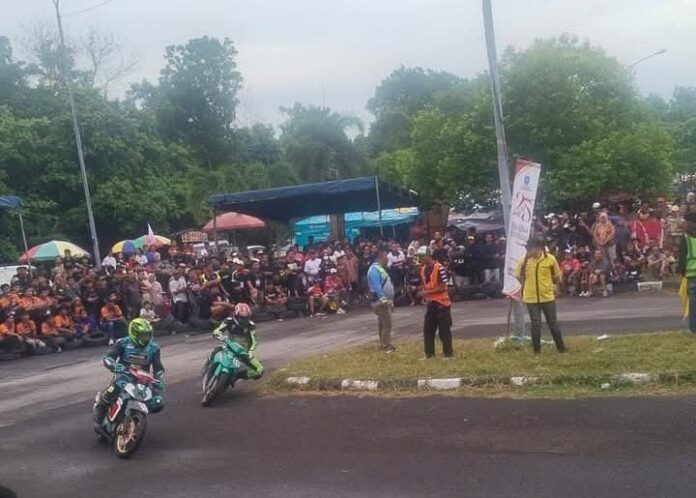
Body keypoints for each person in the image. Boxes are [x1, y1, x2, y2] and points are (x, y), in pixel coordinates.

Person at [93, 319, 165, 429]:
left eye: (147, 335)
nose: (146, 338)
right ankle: (99, 417)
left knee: (158, 402)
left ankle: (136, 418)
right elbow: (108, 357)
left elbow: (158, 369)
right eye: (143, 335)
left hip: (142, 381)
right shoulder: (122, 343)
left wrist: (159, 380)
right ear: (134, 333)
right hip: (123, 376)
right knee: (110, 393)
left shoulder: (154, 348)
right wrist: (114, 365)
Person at [514, 237, 565, 354]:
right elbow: (518, 275)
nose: (528, 251)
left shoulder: (550, 259)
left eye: (529, 248)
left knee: (552, 322)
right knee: (535, 323)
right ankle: (537, 351)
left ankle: (561, 348)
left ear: (538, 248)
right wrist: (526, 286)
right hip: (531, 298)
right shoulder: (524, 261)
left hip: (547, 296)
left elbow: (557, 275)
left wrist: (556, 287)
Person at [212, 302, 264, 380]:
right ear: (236, 315)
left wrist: (250, 351)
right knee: (216, 350)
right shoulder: (229, 320)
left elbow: (254, 340)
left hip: (244, 352)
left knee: (260, 370)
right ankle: (209, 365)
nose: (244, 320)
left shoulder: (251, 325)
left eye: (246, 318)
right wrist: (218, 334)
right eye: (242, 318)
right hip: (230, 347)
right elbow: (219, 329)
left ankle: (238, 376)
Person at [418, 246, 453, 359]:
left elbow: (443, 287)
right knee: (428, 330)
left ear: (429, 255)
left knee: (444, 331)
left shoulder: (439, 268)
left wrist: (426, 292)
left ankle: (448, 354)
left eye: (422, 256)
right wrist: (423, 291)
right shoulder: (423, 269)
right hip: (431, 303)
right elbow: (426, 284)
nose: (421, 258)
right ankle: (429, 354)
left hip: (442, 304)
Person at [367, 249, 396, 353]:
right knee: (387, 323)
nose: (387, 258)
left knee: (382, 323)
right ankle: (386, 345)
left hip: (384, 300)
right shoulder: (374, 269)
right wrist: (383, 299)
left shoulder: (380, 268)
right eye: (386, 256)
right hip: (380, 302)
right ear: (380, 256)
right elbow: (377, 286)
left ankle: (383, 343)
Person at [678, 211, 696, 333]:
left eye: (686, 221)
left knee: (693, 303)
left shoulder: (685, 237)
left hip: (691, 274)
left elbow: (682, 257)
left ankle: (693, 328)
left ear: (691, 223)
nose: (684, 224)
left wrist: (682, 272)